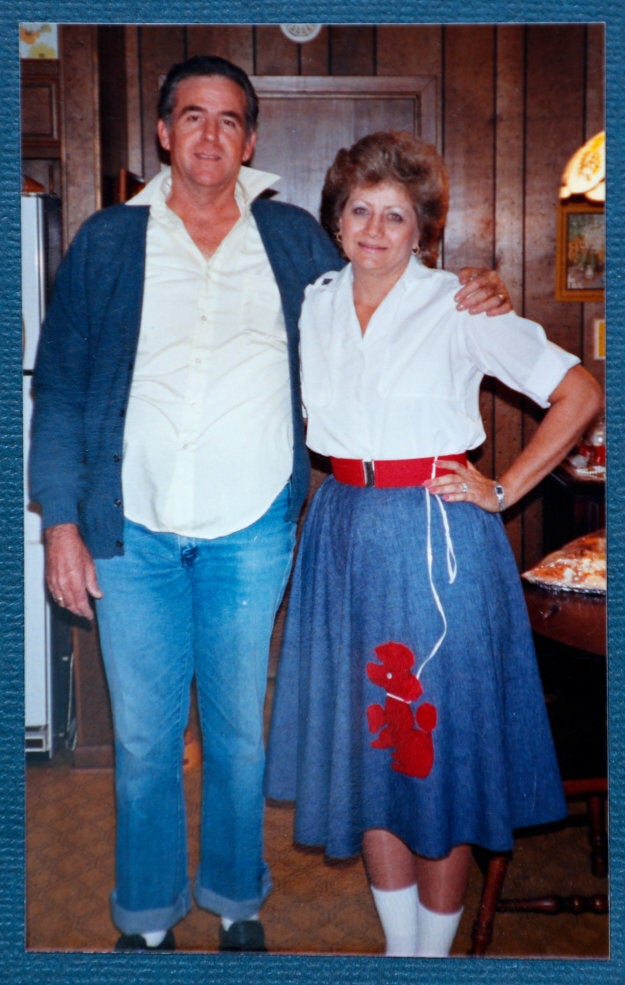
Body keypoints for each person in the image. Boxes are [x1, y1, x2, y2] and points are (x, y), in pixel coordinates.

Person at [29, 56, 513, 955]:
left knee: (240, 738)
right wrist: (60, 518)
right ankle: (146, 916)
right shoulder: (105, 242)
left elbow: (389, 263)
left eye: (229, 120)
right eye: (191, 116)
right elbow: (55, 388)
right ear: (165, 133)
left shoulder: (292, 240)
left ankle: (237, 900)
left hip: (253, 528)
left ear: (250, 141)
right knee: (143, 740)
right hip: (128, 527)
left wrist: (472, 282)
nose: (209, 134)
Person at [264, 130, 603, 958]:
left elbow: (578, 391)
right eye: (359, 210)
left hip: (434, 538)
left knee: (435, 755)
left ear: (423, 229)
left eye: (396, 214)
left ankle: (433, 960)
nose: (375, 228)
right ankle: (399, 952)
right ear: (336, 220)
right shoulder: (313, 299)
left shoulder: (458, 302)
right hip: (341, 529)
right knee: (370, 753)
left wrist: (503, 488)